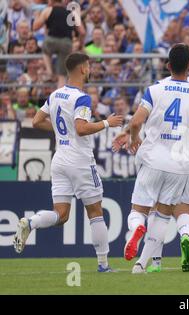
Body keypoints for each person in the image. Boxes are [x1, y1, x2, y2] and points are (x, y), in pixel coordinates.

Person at [13, 52, 123, 272]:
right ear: (82, 69)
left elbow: (36, 121)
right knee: (95, 211)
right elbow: (82, 129)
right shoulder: (82, 98)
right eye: (89, 66)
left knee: (61, 215)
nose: (90, 70)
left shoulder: (55, 95)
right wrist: (107, 123)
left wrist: (64, 132)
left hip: (60, 158)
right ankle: (103, 265)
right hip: (79, 160)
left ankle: (31, 222)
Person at [121, 43, 189, 273]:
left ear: (167, 65)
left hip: (153, 159)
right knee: (163, 217)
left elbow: (135, 122)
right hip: (181, 164)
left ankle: (136, 229)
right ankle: (141, 264)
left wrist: (134, 138)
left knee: (139, 210)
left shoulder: (155, 89)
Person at [33, 0, 85, 87]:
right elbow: (82, 32)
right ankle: (59, 99)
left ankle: (49, 71)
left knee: (45, 49)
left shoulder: (48, 10)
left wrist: (37, 15)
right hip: (66, 43)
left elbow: (35, 27)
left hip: (51, 41)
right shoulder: (72, 12)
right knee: (62, 76)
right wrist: (80, 44)